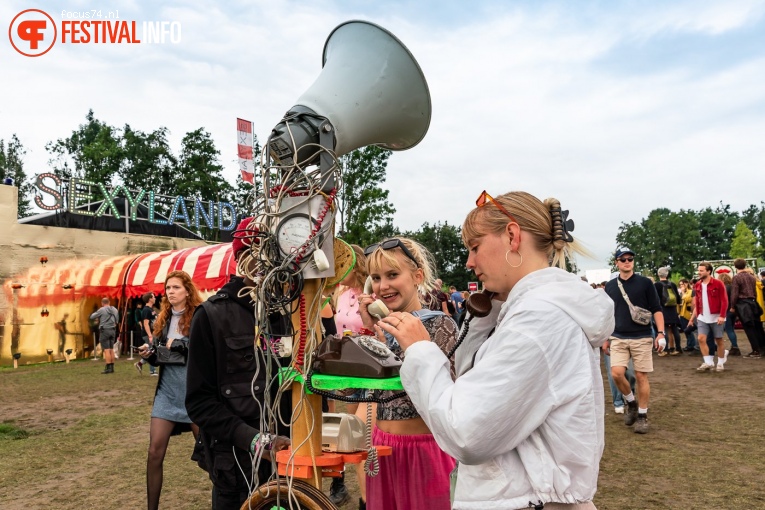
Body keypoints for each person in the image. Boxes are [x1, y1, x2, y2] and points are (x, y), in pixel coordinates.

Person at [379, 191, 614, 509]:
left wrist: (421, 349)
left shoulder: (538, 320)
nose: (469, 262)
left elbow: (466, 431)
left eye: (475, 247)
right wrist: (484, 316)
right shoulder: (528, 312)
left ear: (512, 236)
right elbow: (473, 390)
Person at [185, 217, 291, 510]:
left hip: (293, 465)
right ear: (240, 257)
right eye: (255, 252)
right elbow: (199, 402)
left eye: (273, 253)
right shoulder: (211, 316)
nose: (266, 262)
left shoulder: (291, 312)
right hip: (237, 469)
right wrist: (256, 441)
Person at [358, 237, 458, 510]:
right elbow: (357, 393)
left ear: (417, 276)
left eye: (392, 275)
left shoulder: (440, 324)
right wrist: (370, 333)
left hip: (424, 450)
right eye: (375, 278)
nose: (383, 286)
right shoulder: (379, 330)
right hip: (382, 449)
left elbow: (450, 397)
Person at [137, 271, 202, 510]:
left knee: (208, 454)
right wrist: (149, 354)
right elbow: (161, 358)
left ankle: (224, 500)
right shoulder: (162, 319)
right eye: (168, 288)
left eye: (176, 287)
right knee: (154, 452)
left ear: (187, 290)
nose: (170, 292)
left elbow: (203, 348)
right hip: (167, 392)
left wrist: (181, 344)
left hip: (195, 393)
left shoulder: (199, 316)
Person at [604, 247, 664, 434]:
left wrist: (661, 332)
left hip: (642, 336)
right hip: (618, 336)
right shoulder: (611, 286)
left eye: (630, 259)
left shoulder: (645, 283)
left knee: (640, 376)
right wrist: (605, 338)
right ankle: (631, 402)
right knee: (616, 374)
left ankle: (642, 416)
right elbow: (607, 314)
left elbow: (657, 308)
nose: (627, 262)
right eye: (623, 259)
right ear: (617, 263)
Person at [329, 243, 368, 508]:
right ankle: (341, 485)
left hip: (371, 370)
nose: (340, 268)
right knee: (347, 438)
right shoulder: (339, 294)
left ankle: (367, 499)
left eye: (344, 262)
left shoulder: (372, 291)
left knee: (363, 438)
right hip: (348, 370)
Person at [689, 262, 729, 372]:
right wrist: (693, 318)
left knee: (719, 340)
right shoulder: (697, 285)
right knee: (701, 338)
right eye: (699, 270)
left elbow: (724, 301)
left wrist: (722, 315)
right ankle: (708, 362)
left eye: (701, 270)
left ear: (708, 271)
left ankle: (720, 362)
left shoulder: (718, 283)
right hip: (702, 317)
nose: (699, 272)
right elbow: (697, 302)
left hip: (716, 316)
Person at [730, 258, 765, 358]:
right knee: (758, 327)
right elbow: (754, 291)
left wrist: (732, 306)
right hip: (753, 302)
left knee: (749, 328)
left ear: (735, 266)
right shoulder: (751, 277)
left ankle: (755, 350)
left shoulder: (737, 278)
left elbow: (735, 293)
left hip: (743, 304)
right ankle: (762, 347)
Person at [655, 267, 682, 356]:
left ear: (658, 274)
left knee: (664, 330)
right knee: (675, 330)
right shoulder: (673, 284)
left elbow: (655, 299)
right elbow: (678, 299)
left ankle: (665, 350)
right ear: (667, 274)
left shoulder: (657, 285)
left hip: (662, 310)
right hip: (673, 310)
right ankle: (677, 348)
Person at [90, 298, 119, 374]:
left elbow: (92, 316)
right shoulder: (114, 309)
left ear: (102, 303)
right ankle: (112, 367)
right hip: (113, 330)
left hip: (104, 330)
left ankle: (108, 367)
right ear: (109, 302)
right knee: (111, 349)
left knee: (106, 349)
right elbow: (117, 320)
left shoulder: (102, 310)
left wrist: (98, 315)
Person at [135, 292, 158, 376]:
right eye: (153, 297)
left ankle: (140, 364)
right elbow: (145, 323)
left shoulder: (151, 309)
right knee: (151, 351)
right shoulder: (146, 310)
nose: (155, 298)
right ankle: (152, 371)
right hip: (148, 334)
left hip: (152, 334)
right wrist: (150, 335)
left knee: (152, 350)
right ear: (150, 299)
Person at [719, 273, 740, 355]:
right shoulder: (732, 287)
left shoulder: (724, 288)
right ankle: (734, 346)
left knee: (729, 329)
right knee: (732, 329)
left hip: (727, 311)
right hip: (734, 310)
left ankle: (735, 347)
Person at [677, 279, 698, 352]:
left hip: (688, 313)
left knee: (688, 330)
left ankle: (691, 345)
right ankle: (689, 344)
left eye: (682, 284)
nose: (681, 286)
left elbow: (687, 299)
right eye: (680, 285)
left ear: (686, 284)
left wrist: (683, 293)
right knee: (685, 330)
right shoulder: (682, 293)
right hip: (682, 313)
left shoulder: (691, 291)